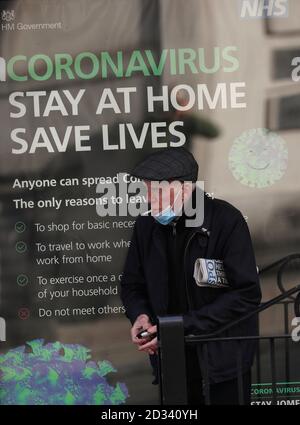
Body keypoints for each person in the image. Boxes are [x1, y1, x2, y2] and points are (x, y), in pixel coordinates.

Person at [120, 147, 261, 405]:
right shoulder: (146, 225)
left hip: (223, 360)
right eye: (147, 189)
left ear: (185, 190)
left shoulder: (226, 220)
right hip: (171, 358)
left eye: (158, 190)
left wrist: (182, 325)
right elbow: (131, 284)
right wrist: (140, 315)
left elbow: (246, 294)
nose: (150, 198)